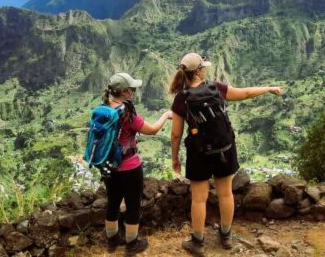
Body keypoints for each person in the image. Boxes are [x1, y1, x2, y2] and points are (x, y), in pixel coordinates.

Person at [169, 53, 283, 256]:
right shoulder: (216, 88)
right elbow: (246, 93)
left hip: (199, 152)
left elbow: (176, 134)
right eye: (202, 67)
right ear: (199, 71)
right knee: (225, 193)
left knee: (198, 199)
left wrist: (175, 158)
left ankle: (198, 242)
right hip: (225, 149)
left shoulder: (181, 99)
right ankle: (226, 235)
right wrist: (268, 89)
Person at [101, 72, 173, 254]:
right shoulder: (128, 114)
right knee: (133, 204)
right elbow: (153, 130)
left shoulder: (102, 109)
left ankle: (112, 241)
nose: (133, 91)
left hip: (108, 167)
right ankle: (132, 244)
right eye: (131, 89)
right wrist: (165, 115)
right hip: (129, 167)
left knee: (113, 202)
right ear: (124, 92)